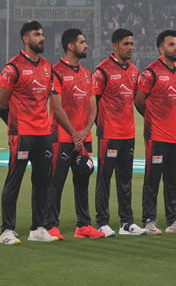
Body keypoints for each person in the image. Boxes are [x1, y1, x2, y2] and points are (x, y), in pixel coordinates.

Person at [0, 21, 58, 244]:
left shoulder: (46, 66)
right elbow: (2, 103)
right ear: (26, 39)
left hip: (43, 134)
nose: (42, 38)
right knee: (14, 180)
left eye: (42, 34)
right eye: (37, 34)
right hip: (22, 134)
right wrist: (16, 125)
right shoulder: (12, 68)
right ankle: (7, 230)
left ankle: (38, 228)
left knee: (43, 182)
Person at [45, 29, 103, 240]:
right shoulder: (56, 72)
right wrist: (74, 133)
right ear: (71, 46)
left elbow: (93, 105)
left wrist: (85, 131)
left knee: (83, 181)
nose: (86, 45)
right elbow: (57, 108)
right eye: (82, 42)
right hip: (61, 138)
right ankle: (51, 225)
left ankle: (83, 225)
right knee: (56, 183)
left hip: (83, 139)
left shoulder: (87, 74)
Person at [134, 30, 176, 235]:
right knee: (152, 180)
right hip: (156, 136)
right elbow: (139, 101)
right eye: (171, 45)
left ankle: (173, 220)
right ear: (161, 49)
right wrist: (152, 120)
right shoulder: (150, 73)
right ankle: (149, 220)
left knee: (172, 180)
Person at [94, 28, 144, 237]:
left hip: (128, 133)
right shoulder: (102, 71)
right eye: (126, 44)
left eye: (132, 44)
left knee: (125, 179)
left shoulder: (133, 70)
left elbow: (133, 99)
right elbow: (94, 102)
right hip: (109, 134)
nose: (130, 48)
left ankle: (127, 222)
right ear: (115, 46)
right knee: (104, 178)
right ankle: (102, 222)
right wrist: (102, 126)